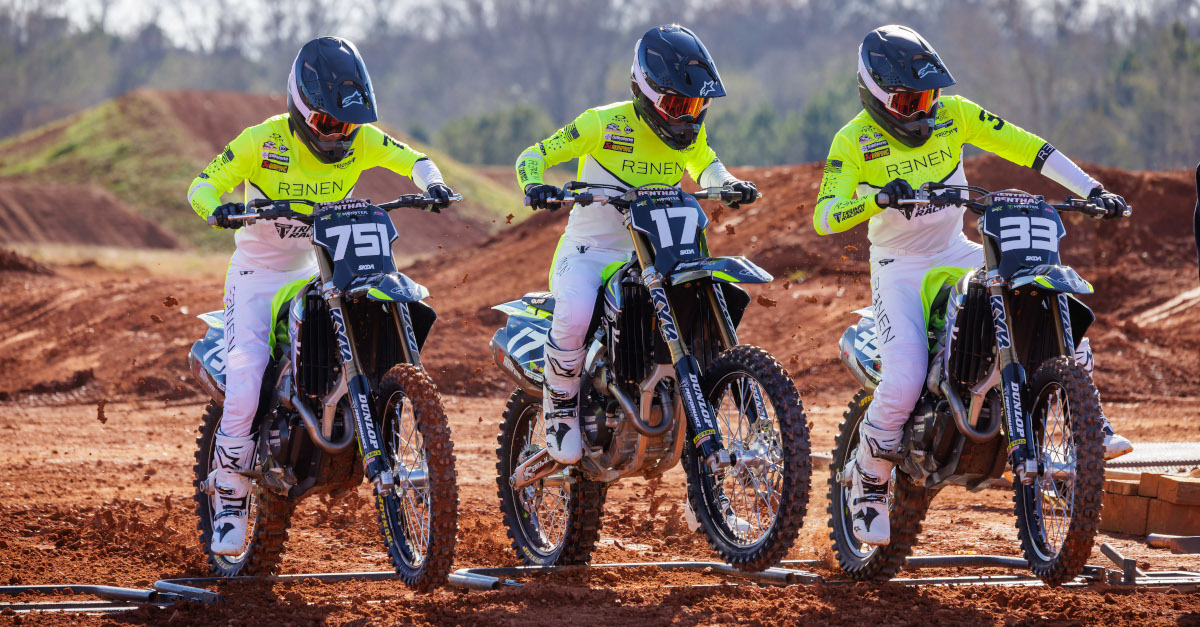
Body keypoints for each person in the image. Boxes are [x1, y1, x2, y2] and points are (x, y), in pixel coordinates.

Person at [813, 25, 1133, 546]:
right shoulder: (853, 140)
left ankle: (1086, 425)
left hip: (958, 250)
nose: (923, 108)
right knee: (903, 378)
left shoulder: (954, 114)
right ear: (874, 95)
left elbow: (1028, 148)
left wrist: (1093, 189)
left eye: (929, 95)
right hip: (899, 268)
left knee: (1036, 296)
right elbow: (825, 217)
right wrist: (876, 200)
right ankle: (869, 484)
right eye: (908, 99)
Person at [186, 36, 455, 556]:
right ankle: (231, 495)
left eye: (348, 126)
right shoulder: (260, 140)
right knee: (244, 376)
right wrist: (216, 209)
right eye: (329, 124)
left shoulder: (361, 139)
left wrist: (435, 183)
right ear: (300, 107)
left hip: (321, 268)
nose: (340, 136)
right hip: (260, 276)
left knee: (376, 313)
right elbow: (203, 183)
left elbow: (415, 160)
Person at [514, 24, 758, 466]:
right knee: (572, 313)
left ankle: (706, 484)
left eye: (697, 106)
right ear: (646, 90)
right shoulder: (601, 123)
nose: (689, 117)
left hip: (658, 254)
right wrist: (536, 186)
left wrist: (728, 185)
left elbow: (708, 165)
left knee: (702, 322)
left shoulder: (690, 135)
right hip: (589, 252)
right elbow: (533, 155)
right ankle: (562, 407)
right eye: (679, 105)